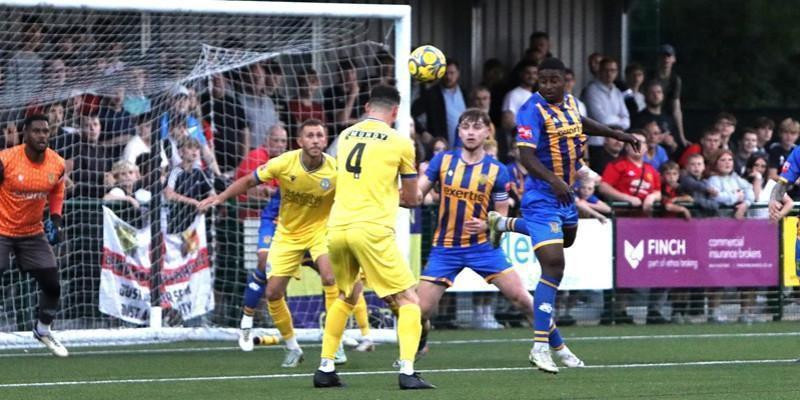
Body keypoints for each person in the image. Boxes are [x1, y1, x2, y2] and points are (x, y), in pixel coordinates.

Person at [487, 58, 637, 373]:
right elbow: (525, 154)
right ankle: (540, 347)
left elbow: (580, 122)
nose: (548, 85)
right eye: (543, 80)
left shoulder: (568, 102)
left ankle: (504, 223)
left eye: (554, 80)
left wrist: (617, 134)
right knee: (554, 265)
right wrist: (553, 180)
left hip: (565, 195)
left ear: (566, 80)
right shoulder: (531, 109)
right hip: (542, 196)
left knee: (565, 240)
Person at [417, 108, 584, 366]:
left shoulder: (497, 171)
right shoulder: (443, 161)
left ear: (487, 132)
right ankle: (419, 342)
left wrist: (485, 225)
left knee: (523, 300)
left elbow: (501, 217)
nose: (470, 132)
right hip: (445, 248)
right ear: (458, 130)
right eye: (465, 127)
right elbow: (419, 194)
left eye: (476, 127)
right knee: (420, 311)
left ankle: (561, 349)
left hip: (483, 248)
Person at [313, 85, 434, 390]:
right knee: (409, 300)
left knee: (346, 295)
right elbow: (411, 199)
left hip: (338, 227)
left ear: (367, 106)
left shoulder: (347, 135)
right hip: (371, 230)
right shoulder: (401, 143)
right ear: (395, 112)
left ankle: (325, 368)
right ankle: (407, 371)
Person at [199, 119, 344, 368]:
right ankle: (292, 347)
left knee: (331, 279)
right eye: (310, 135)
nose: (316, 140)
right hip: (287, 234)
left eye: (320, 135)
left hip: (319, 233)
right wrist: (221, 197)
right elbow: (248, 181)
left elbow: (356, 196)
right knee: (273, 292)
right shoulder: (283, 163)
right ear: (299, 142)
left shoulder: (335, 171)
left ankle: (335, 344)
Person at [0, 114, 68, 357]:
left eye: (45, 131)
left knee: (52, 284)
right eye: (37, 131)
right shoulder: (6, 160)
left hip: (32, 233)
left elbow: (57, 191)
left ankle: (43, 329)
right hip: (2, 231)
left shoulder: (57, 163)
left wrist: (56, 220)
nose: (42, 136)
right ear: (25, 134)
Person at [598, 132, 662, 214]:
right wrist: (627, 198)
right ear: (626, 147)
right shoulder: (616, 165)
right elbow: (603, 187)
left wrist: (651, 197)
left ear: (646, 147)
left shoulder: (651, 169)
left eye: (641, 142)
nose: (636, 145)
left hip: (646, 216)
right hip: (622, 214)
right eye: (632, 142)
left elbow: (658, 192)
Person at [582, 57, 630, 163]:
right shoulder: (591, 90)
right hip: (597, 143)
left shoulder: (617, 92)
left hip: (617, 141)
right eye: (606, 70)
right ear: (600, 71)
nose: (609, 74)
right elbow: (602, 119)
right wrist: (619, 120)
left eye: (613, 70)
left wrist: (614, 120)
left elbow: (627, 120)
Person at [412, 60, 468, 148]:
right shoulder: (431, 94)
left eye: (452, 73)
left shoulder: (465, 94)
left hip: (463, 148)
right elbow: (411, 113)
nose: (448, 77)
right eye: (445, 73)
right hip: (441, 148)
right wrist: (423, 132)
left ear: (458, 73)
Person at [706, 150, 754, 220]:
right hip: (720, 220)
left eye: (730, 160)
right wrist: (736, 196)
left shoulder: (735, 177)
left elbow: (749, 189)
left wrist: (745, 204)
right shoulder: (713, 179)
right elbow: (717, 197)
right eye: (723, 160)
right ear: (715, 163)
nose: (727, 163)